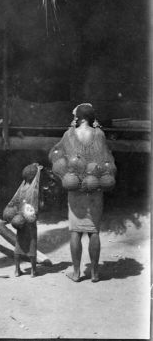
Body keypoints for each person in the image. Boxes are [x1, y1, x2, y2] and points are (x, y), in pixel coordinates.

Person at [49, 103, 116, 282]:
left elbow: (57, 154)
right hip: (95, 187)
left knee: (75, 231)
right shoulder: (99, 135)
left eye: (76, 116)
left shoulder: (69, 135)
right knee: (94, 231)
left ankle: (77, 273)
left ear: (80, 118)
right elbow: (106, 159)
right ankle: (94, 273)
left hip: (75, 188)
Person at [13, 163, 42, 278]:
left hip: (20, 219)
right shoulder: (33, 189)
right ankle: (33, 271)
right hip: (30, 219)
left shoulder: (22, 187)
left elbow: (16, 202)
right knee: (32, 244)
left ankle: (16, 270)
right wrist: (38, 170)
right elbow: (37, 182)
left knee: (19, 244)